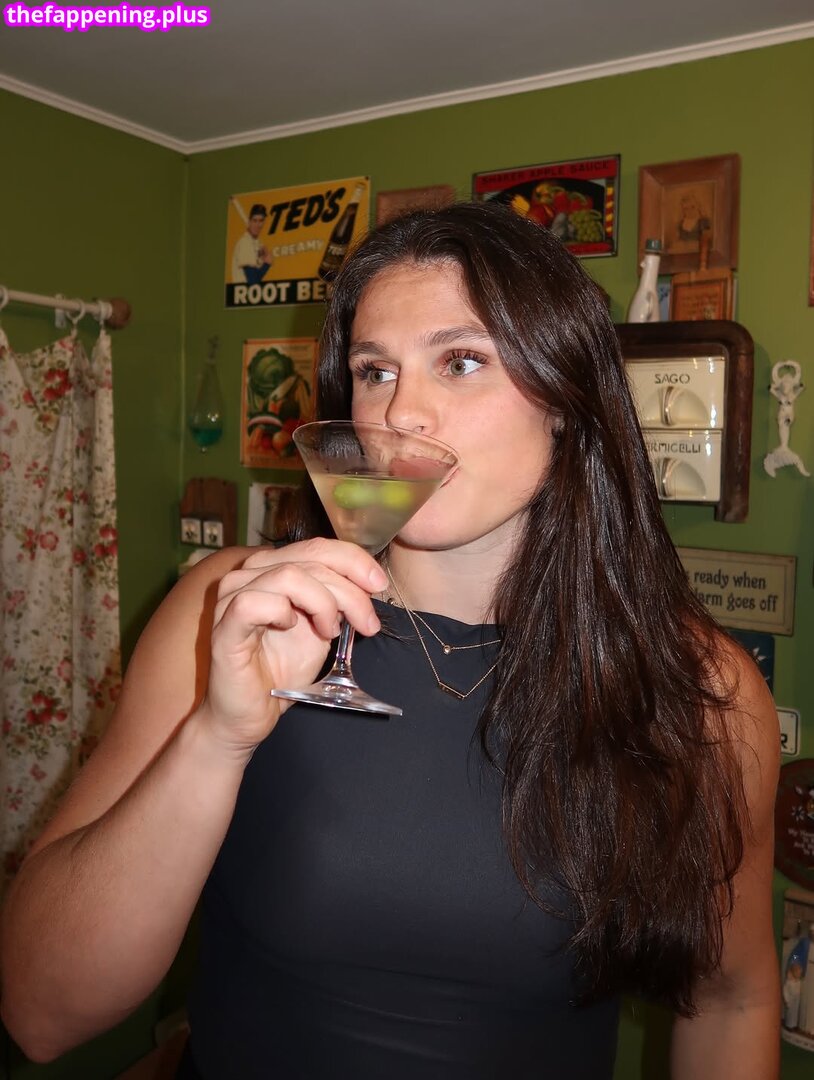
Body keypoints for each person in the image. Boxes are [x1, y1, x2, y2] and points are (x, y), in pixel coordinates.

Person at [0, 203, 780, 1079]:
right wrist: (215, 738)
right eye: (375, 371)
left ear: (566, 400)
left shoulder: (703, 692)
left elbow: (734, 1001)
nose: (400, 412)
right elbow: (41, 1012)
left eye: (461, 361)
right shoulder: (229, 612)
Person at [231, 201, 272, 284]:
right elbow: (253, 281)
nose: (258, 225)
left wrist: (261, 256)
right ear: (249, 221)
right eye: (255, 220)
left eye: (261, 220)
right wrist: (267, 264)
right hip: (243, 290)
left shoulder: (257, 242)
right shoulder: (245, 242)